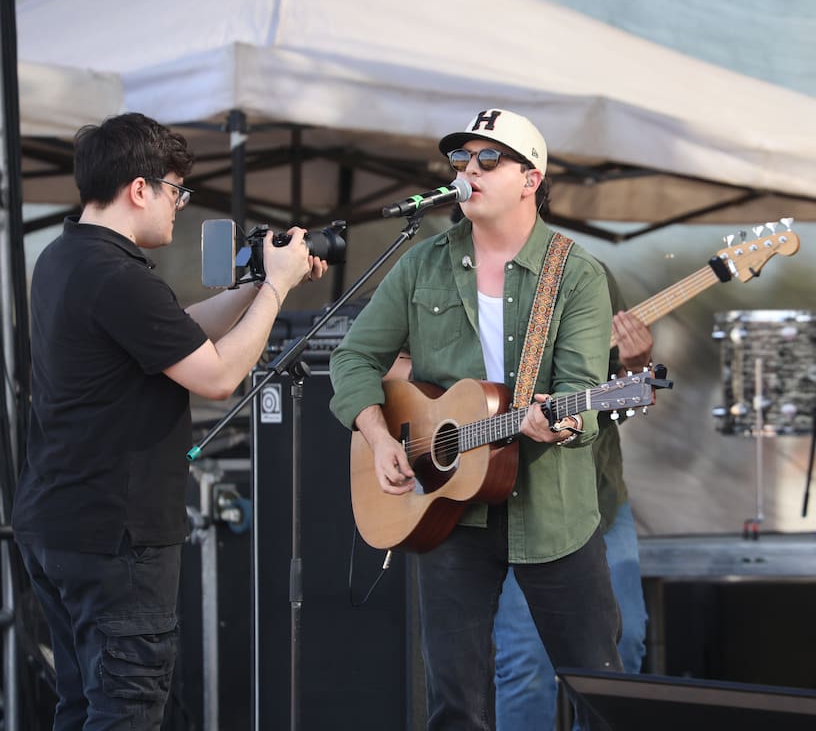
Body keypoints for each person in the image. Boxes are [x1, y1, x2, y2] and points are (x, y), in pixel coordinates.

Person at [12, 112, 326, 731]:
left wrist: (259, 280)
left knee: (81, 708)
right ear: (139, 188)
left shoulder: (65, 258)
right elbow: (215, 376)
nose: (179, 206)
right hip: (117, 538)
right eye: (175, 191)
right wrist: (277, 292)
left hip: (60, 525)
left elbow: (173, 329)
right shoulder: (118, 276)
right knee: (125, 709)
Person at [329, 108, 621, 730]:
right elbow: (354, 356)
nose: (469, 170)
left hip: (553, 508)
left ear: (530, 178)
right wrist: (379, 437)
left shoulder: (575, 274)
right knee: (456, 703)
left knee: (598, 690)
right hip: (448, 508)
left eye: (489, 159)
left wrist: (560, 420)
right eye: (461, 160)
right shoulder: (421, 263)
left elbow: (581, 397)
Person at [493, 277, 653, 730]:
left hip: (597, 495)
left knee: (625, 648)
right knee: (526, 662)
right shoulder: (453, 271)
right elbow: (392, 364)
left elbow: (623, 398)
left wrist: (637, 367)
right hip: (514, 498)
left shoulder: (589, 274)